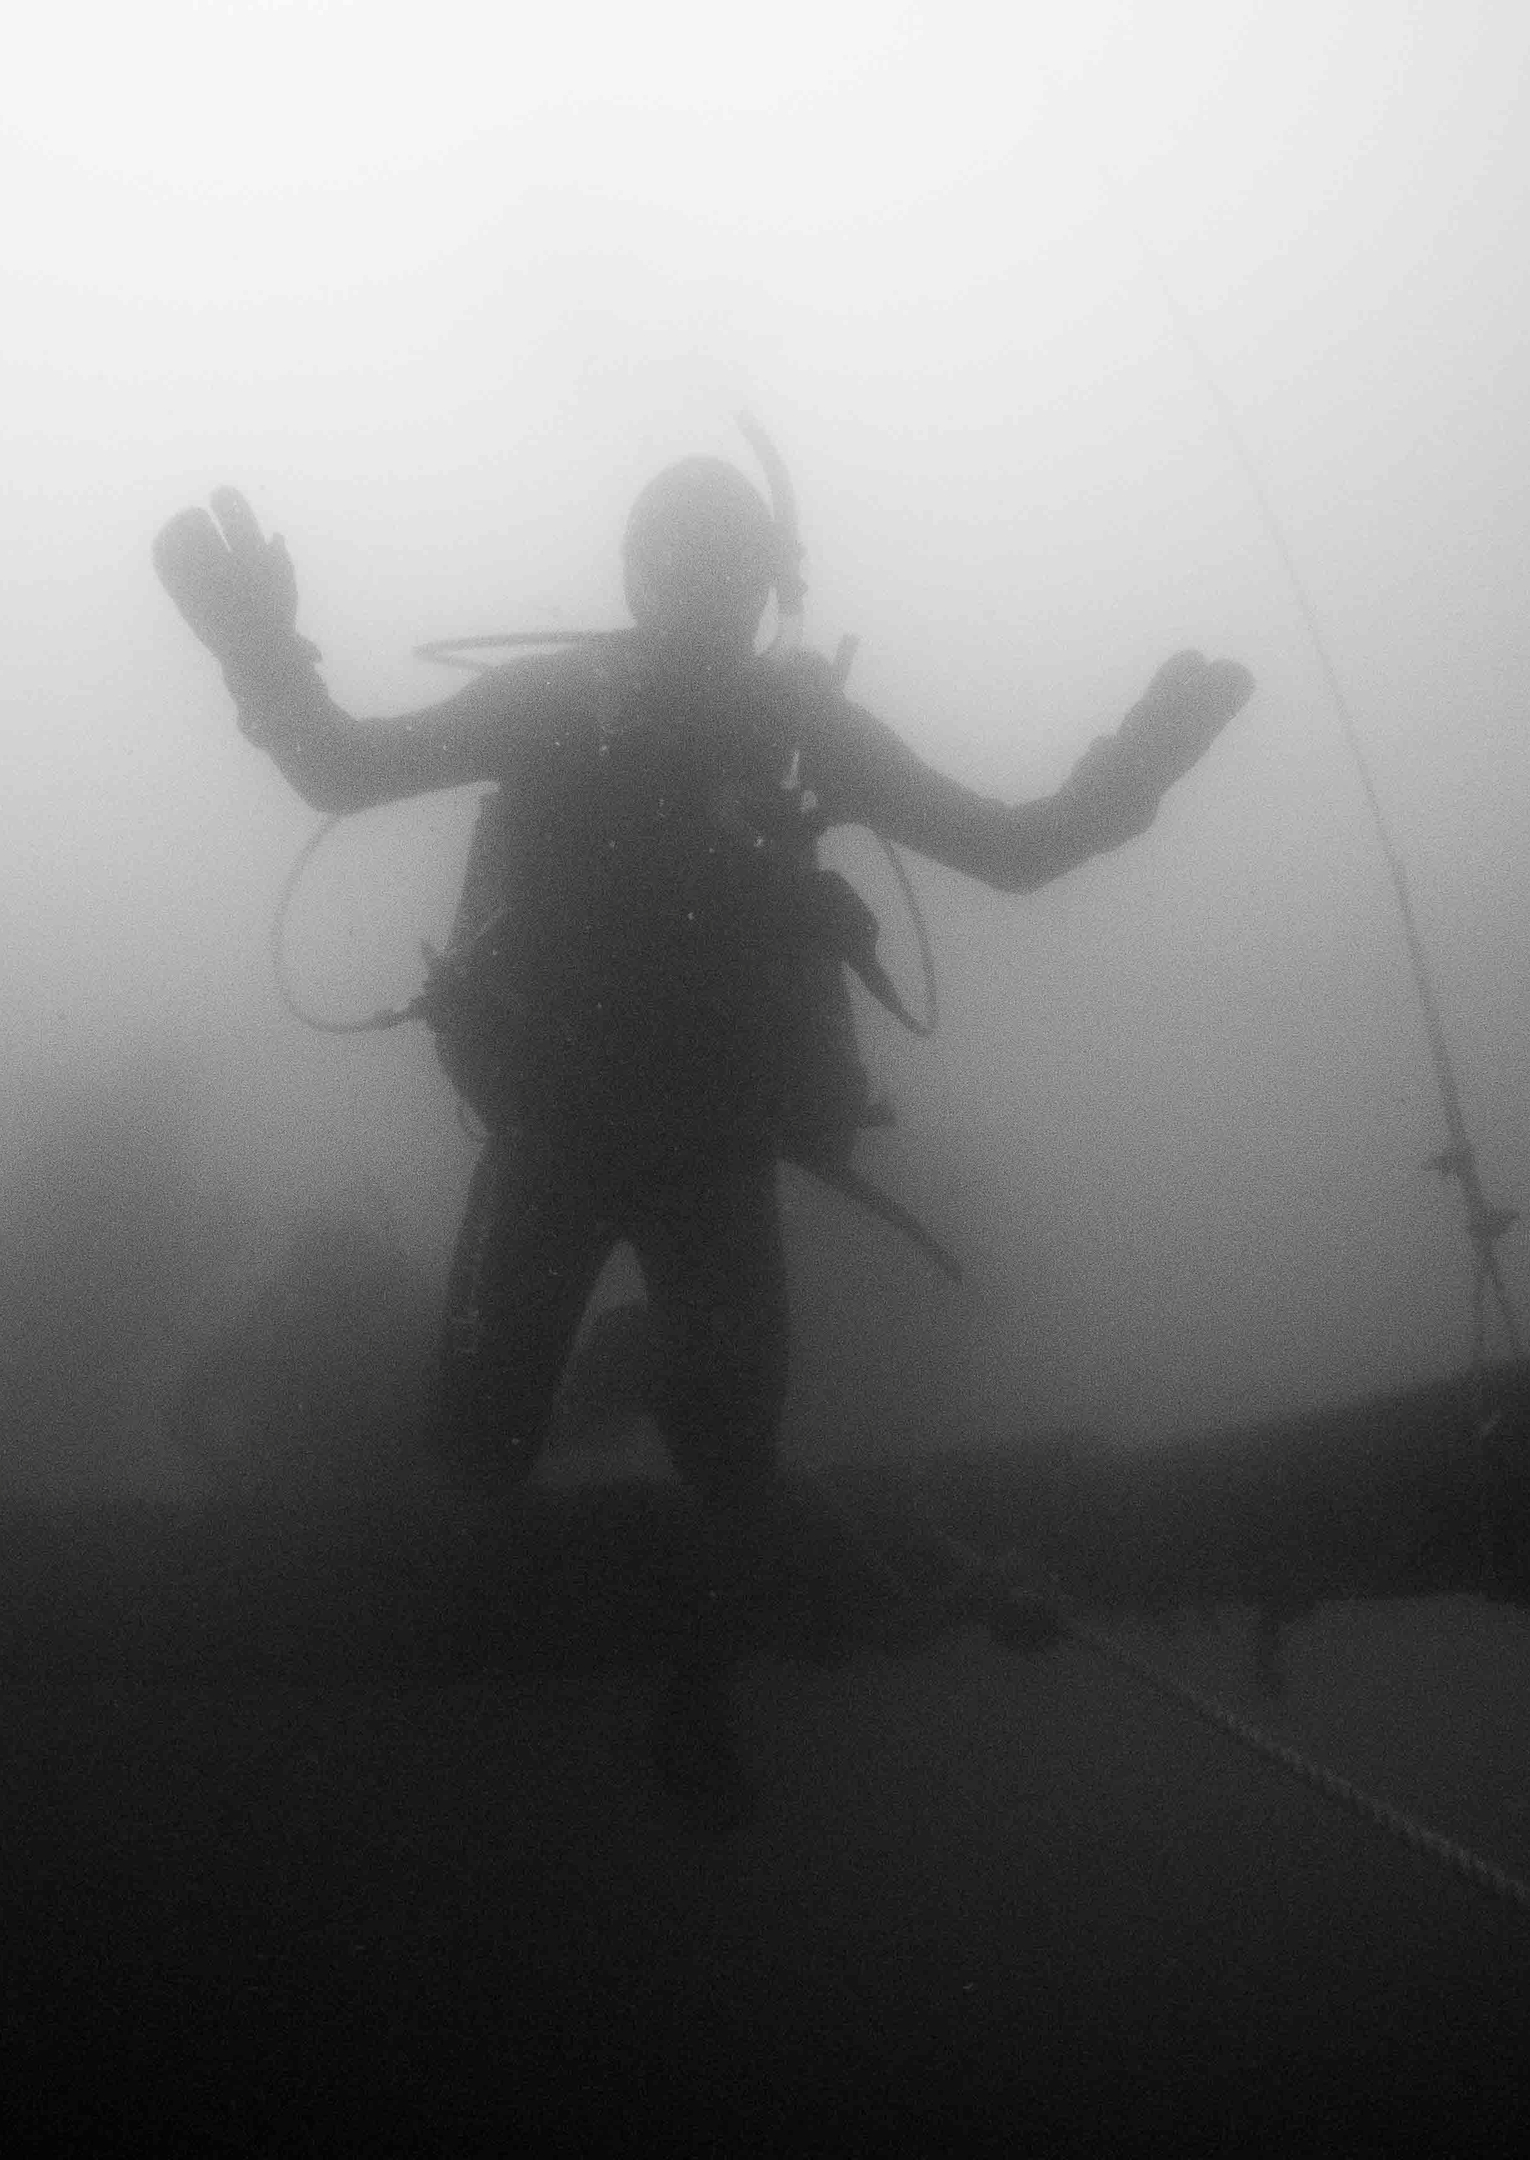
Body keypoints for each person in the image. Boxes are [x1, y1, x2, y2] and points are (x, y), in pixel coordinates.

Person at [154, 452, 1250, 1673]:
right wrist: (257, 649)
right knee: (480, 1450)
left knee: (730, 1462)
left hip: (701, 1147)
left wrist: (1132, 771)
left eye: (724, 573)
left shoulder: (785, 725)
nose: (703, 597)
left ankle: (647, 1445)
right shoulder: (583, 700)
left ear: (757, 588)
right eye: (685, 568)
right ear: (644, 577)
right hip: (560, 1132)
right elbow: (343, 771)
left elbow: (1013, 850)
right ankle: (620, 1392)